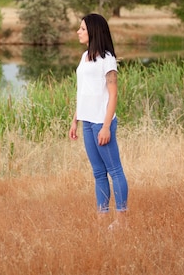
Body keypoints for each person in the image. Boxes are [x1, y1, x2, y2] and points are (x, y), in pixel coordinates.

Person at [68, 13, 128, 227]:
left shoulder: (108, 59)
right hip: (86, 122)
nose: (78, 32)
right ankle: (102, 219)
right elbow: (82, 91)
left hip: (102, 124)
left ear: (93, 31)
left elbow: (113, 94)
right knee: (98, 173)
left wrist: (105, 126)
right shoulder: (84, 57)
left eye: (82, 28)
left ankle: (122, 221)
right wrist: (75, 120)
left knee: (115, 171)